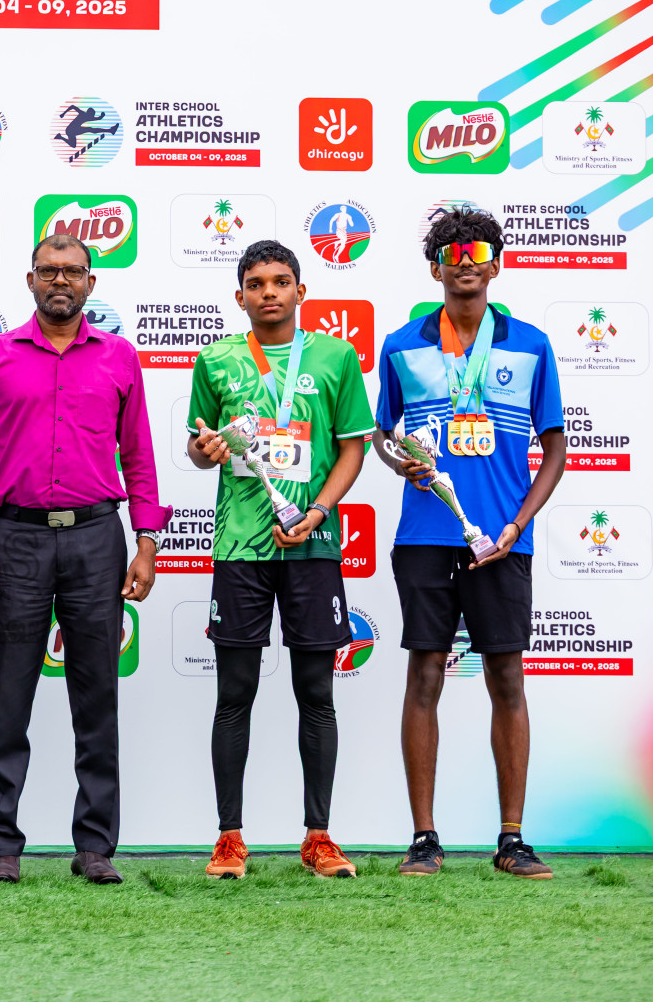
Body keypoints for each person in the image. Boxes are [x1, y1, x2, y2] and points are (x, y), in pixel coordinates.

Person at [0, 235, 171, 886]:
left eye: (73, 272)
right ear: (30, 280)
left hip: (98, 537)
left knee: (96, 698)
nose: (61, 281)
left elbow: (142, 458)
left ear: (91, 285)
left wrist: (148, 544)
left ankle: (96, 845)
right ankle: (2, 847)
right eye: (50, 271)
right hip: (13, 538)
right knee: (8, 698)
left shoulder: (120, 358)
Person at [376, 208, 566, 879]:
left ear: (495, 262)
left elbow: (555, 447)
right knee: (425, 673)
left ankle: (512, 839)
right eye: (451, 251)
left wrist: (517, 527)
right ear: (435, 266)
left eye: (477, 249)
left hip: (503, 542)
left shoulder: (532, 344)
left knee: (507, 678)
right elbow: (382, 432)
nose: (465, 259)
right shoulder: (401, 344)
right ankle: (424, 837)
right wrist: (399, 461)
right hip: (426, 535)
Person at [186, 240, 374, 880]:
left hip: (313, 545)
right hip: (241, 544)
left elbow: (354, 448)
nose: (269, 292)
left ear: (301, 292)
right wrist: (204, 450)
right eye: (256, 283)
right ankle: (229, 837)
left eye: (281, 281)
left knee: (316, 693)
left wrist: (319, 509)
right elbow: (197, 444)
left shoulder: (335, 356)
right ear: (239, 295)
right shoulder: (215, 360)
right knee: (233, 693)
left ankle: (318, 836)